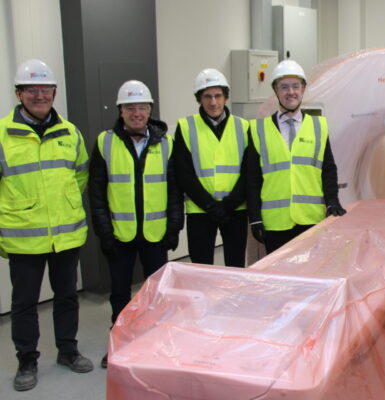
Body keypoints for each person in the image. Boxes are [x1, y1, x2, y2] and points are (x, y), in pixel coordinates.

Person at [0, 59, 93, 391]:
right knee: (24, 303)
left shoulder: (70, 132)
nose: (40, 96)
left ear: (54, 93)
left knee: (67, 296)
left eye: (45, 90)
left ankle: (68, 351)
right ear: (19, 93)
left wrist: (63, 207)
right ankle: (27, 360)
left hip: (65, 234)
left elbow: (80, 175)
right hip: (24, 235)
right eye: (32, 90)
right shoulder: (2, 135)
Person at [88, 80, 184, 368]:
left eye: (141, 107)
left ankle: (153, 340)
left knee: (156, 291)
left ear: (150, 110)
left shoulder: (165, 143)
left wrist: (174, 227)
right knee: (120, 292)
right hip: (120, 234)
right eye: (130, 108)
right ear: (120, 111)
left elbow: (174, 190)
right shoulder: (105, 142)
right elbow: (96, 192)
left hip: (155, 233)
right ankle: (119, 341)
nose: (136, 113)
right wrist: (104, 232)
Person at [246, 59, 346, 254]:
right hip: (274, 223)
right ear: (275, 90)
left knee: (310, 277)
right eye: (284, 87)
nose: (290, 92)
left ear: (303, 89)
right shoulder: (258, 129)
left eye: (295, 86)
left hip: (311, 220)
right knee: (279, 279)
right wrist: (255, 218)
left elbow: (328, 169)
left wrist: (332, 201)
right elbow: (252, 179)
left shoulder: (319, 126)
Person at [173, 69, 249, 267]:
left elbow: (248, 172)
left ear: (226, 97)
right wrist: (210, 205)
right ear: (199, 99)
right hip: (200, 211)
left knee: (235, 267)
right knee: (201, 268)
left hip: (235, 209)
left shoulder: (243, 127)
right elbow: (184, 174)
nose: (213, 102)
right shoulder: (186, 127)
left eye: (218, 96)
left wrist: (229, 204)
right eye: (207, 96)